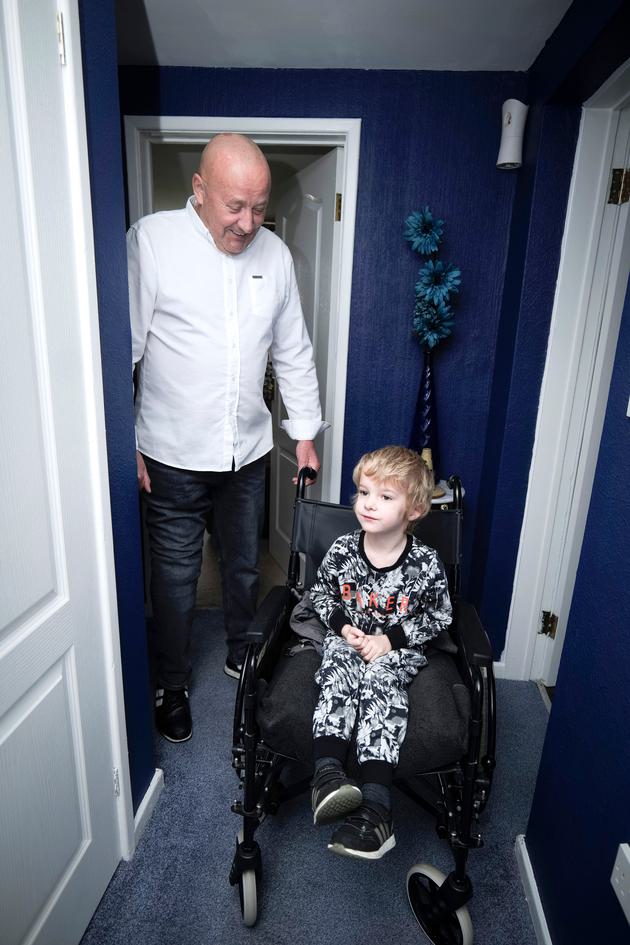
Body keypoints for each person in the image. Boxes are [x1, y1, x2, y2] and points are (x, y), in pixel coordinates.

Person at [128, 133, 327, 743]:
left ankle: (244, 652)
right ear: (200, 190)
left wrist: (306, 434)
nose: (246, 223)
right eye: (234, 206)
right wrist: (122, 438)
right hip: (170, 452)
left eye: (258, 207)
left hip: (247, 450)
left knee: (243, 568)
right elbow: (124, 350)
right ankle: (171, 681)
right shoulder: (152, 241)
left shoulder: (276, 257)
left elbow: (294, 351)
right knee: (175, 576)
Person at [308, 446, 451, 859]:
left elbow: (439, 617)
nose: (369, 504)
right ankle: (328, 777)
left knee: (380, 683)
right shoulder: (343, 549)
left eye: (385, 497)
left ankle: (376, 809)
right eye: (364, 492)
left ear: (415, 509)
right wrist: (342, 626)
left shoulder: (425, 565)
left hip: (396, 650)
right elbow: (319, 594)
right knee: (338, 669)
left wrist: (389, 641)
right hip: (348, 639)